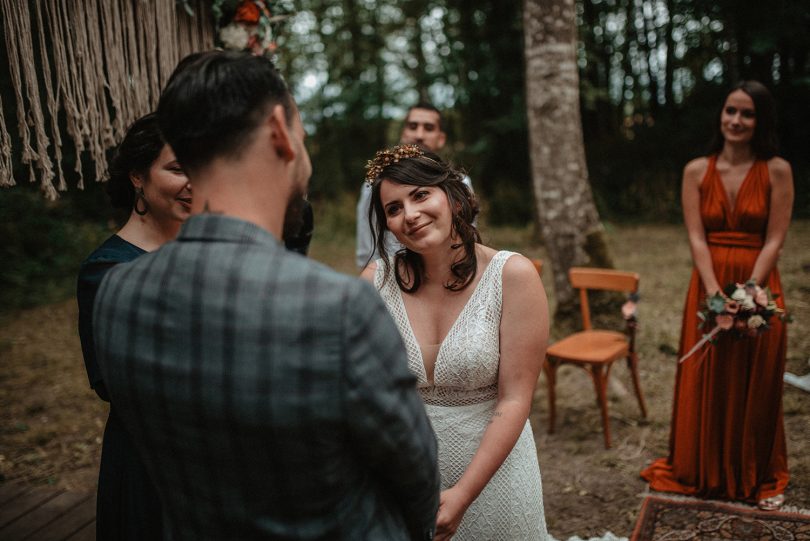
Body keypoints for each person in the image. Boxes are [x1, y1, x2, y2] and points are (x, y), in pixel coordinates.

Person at [92, 51, 439, 541]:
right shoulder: (338, 309)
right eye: (303, 132)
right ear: (280, 130)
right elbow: (416, 480)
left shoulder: (117, 294)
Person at [361, 144, 549, 540]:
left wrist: (462, 495)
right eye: (393, 209)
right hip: (407, 479)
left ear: (454, 198)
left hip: (494, 477)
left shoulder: (512, 276)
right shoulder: (375, 282)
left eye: (420, 194)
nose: (409, 215)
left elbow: (515, 398)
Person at [641, 80, 793, 510]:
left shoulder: (777, 169)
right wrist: (714, 293)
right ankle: (702, 470)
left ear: (759, 121)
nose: (737, 121)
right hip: (707, 285)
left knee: (756, 378)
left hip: (759, 282)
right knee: (707, 375)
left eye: (747, 114)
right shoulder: (695, 170)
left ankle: (757, 472)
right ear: (720, 115)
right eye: (731, 111)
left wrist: (748, 292)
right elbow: (696, 236)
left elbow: (775, 238)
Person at [77, 112, 191, 540]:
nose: (194, 181)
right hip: (152, 468)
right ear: (138, 177)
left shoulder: (203, 248)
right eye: (178, 168)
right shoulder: (107, 270)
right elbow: (117, 385)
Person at [355, 102, 473, 268]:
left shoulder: (461, 182)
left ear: (441, 139)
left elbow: (468, 233)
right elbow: (367, 243)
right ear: (404, 133)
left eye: (429, 128)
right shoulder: (376, 185)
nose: (419, 135)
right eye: (412, 126)